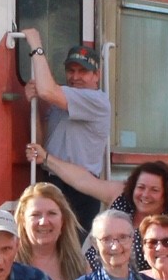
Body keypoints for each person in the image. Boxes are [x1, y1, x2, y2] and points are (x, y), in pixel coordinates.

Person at [18, 27, 111, 226]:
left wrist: (36, 46)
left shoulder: (96, 100)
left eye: (83, 71)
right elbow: (40, 143)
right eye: (71, 70)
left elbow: (47, 90)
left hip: (80, 190)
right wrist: (32, 104)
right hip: (52, 180)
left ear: (97, 75)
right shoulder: (64, 100)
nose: (75, 76)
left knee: (70, 252)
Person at [25, 157, 168, 276]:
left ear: (166, 193)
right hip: (85, 279)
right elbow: (82, 180)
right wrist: (46, 158)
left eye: (154, 190)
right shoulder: (121, 196)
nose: (145, 195)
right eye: (141, 187)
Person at [16, 183, 90, 280]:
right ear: (23, 220)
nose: (43, 222)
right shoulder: (10, 265)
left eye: (52, 213)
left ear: (63, 219)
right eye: (35, 215)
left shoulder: (81, 266)